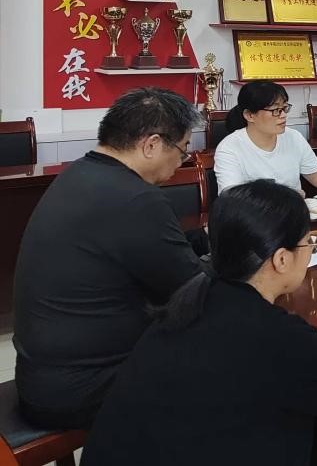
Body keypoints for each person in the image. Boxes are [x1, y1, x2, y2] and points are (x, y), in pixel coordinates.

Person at [81, 179, 317, 466]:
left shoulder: (199, 296)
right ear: (282, 259)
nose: (310, 250)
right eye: (309, 243)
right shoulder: (271, 333)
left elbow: (286, 352)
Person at [13, 87, 204, 428]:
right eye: (182, 149)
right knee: (224, 359)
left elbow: (145, 250)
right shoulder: (136, 198)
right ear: (151, 144)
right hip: (83, 387)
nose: (182, 161)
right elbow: (193, 288)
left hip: (42, 374)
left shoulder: (80, 174)